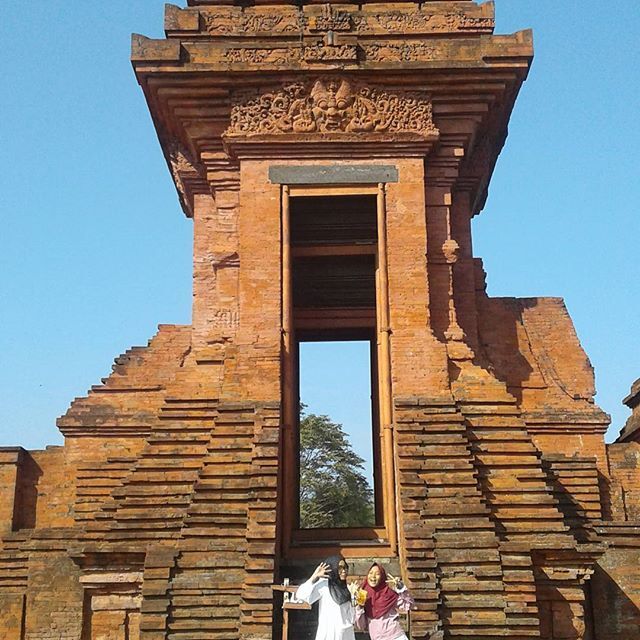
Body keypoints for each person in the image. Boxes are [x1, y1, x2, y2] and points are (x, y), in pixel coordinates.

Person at [295, 555, 356, 640]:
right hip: (328, 634)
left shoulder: (347, 589)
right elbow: (301, 595)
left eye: (345, 567)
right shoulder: (324, 585)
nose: (344, 571)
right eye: (340, 568)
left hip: (345, 634)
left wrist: (354, 598)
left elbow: (352, 618)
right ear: (333, 569)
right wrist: (314, 577)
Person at [355, 563, 414, 640]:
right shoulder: (363, 595)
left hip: (395, 636)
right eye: (371, 573)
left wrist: (401, 587)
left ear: (382, 577)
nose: (373, 576)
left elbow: (408, 605)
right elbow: (361, 626)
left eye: (377, 574)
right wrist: (360, 606)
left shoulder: (388, 593)